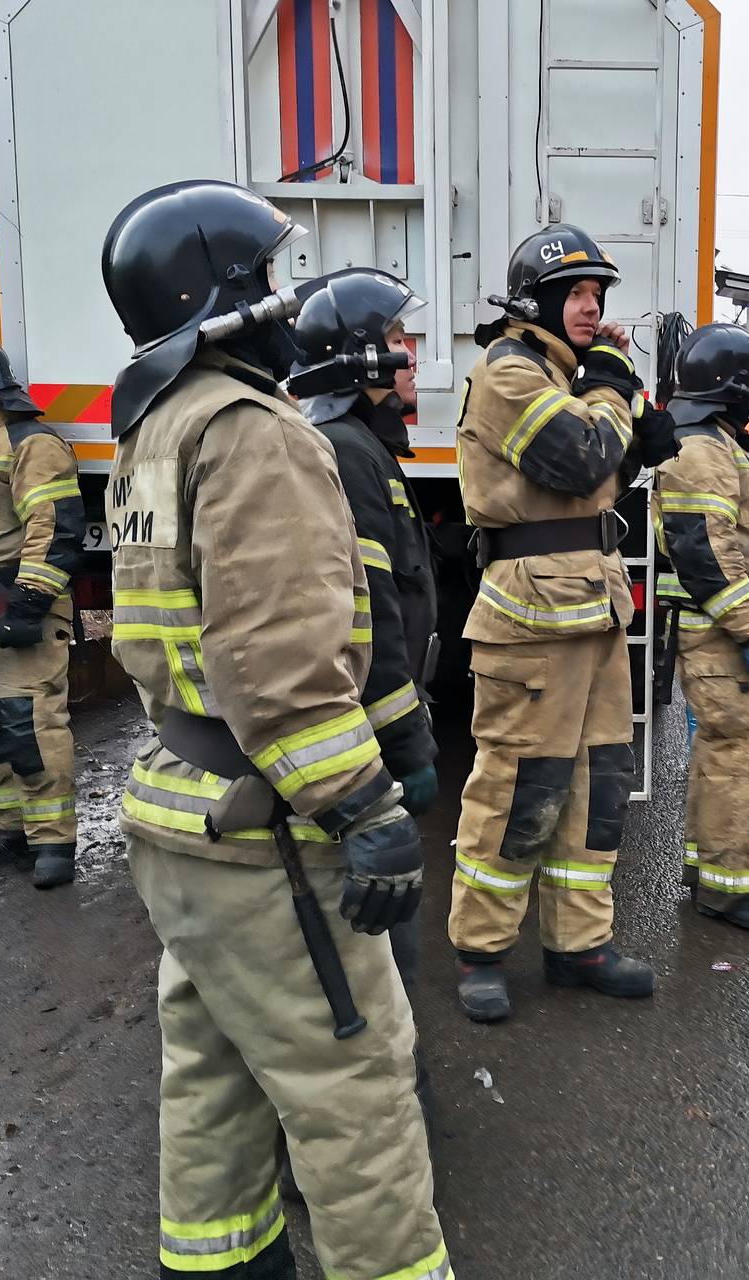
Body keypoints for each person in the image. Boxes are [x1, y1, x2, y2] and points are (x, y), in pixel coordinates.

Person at [102, 179, 449, 1280]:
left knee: (209, 1074)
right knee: (352, 1087)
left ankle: (217, 1263)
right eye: (270, 274)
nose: (286, 296)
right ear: (228, 289)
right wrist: (362, 804)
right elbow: (280, 667)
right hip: (266, 841)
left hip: (179, 809)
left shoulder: (156, 425)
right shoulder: (256, 432)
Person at [447, 223, 676, 1023]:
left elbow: (630, 450)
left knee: (597, 783)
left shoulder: (565, 376)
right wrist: (611, 384)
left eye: (597, 296)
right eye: (575, 295)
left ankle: (580, 945)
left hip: (594, 602)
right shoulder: (509, 372)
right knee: (517, 789)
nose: (589, 307)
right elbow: (582, 458)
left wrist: (629, 397)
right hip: (531, 613)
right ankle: (481, 951)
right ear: (537, 301)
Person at [291, 268, 440, 992]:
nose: (410, 354)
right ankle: (388, 1080)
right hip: (367, 741)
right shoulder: (347, 451)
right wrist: (408, 744)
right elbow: (369, 617)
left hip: (369, 731)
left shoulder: (360, 443)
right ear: (361, 358)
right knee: (379, 943)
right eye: (396, 338)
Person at [654, 323, 749, 932]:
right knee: (741, 755)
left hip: (724, 628)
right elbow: (704, 551)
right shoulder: (700, 450)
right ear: (729, 384)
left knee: (728, 751)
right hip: (720, 632)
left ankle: (718, 866)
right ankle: (725, 888)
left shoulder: (712, 440)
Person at [0, 335, 84, 888]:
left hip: (15, 603)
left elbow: (54, 531)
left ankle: (53, 841)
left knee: (31, 723)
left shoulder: (32, 443)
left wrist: (28, 604)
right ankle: (11, 830)